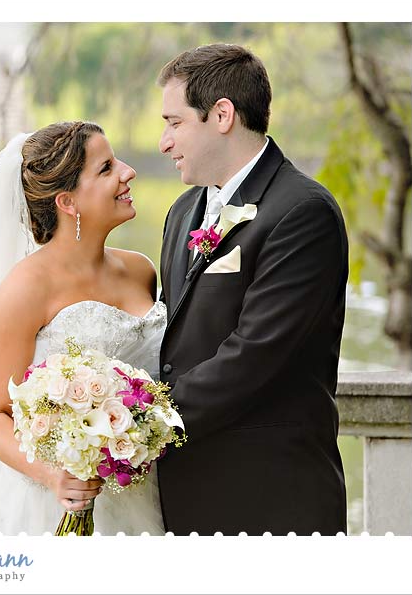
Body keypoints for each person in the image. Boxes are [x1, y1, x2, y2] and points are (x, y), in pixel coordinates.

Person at [155, 43, 348, 535]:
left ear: (222, 115)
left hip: (271, 500)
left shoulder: (302, 212)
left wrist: (139, 422)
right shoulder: (182, 212)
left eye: (174, 123)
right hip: (182, 496)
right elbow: (169, 337)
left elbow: (255, 354)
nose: (163, 143)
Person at [0, 121, 168, 535]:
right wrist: (56, 476)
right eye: (106, 168)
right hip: (61, 502)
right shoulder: (22, 292)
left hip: (146, 492)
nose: (128, 172)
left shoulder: (140, 270)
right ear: (67, 201)